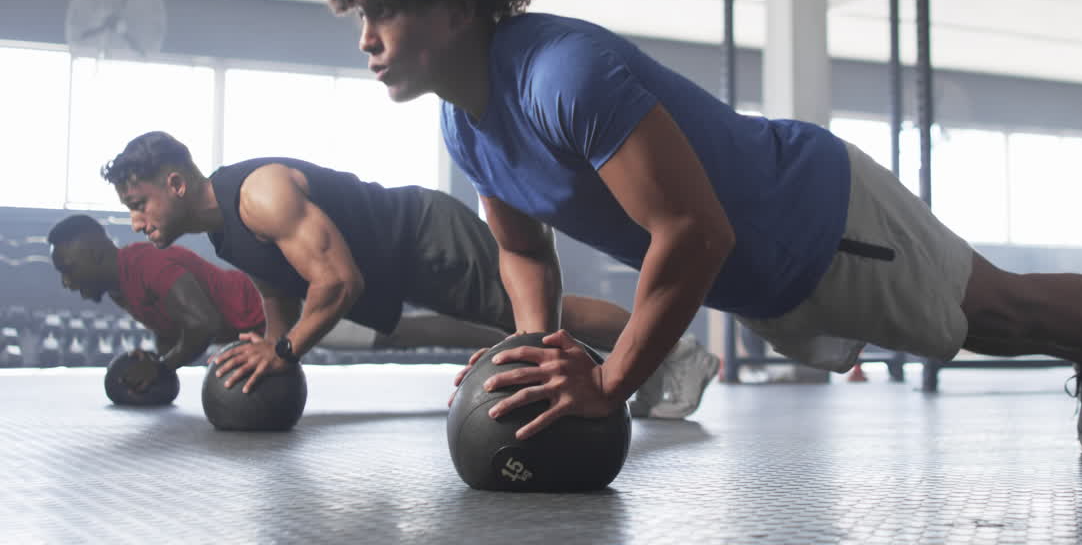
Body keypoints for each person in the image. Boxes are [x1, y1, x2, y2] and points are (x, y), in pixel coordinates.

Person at [314, 0, 1082, 461]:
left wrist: (611, 382)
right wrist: (528, 352)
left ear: (455, 8)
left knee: (1001, 312)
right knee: (981, 330)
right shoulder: (465, 123)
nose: (365, 40)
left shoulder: (560, 75)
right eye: (359, 16)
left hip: (811, 215)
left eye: (382, 13)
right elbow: (522, 253)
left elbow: (693, 233)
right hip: (760, 274)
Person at [99, 132, 718, 417]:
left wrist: (286, 350)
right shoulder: (221, 230)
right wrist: (272, 343)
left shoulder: (256, 195)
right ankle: (665, 356)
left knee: (537, 315)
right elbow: (276, 287)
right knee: (522, 319)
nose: (135, 221)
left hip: (423, 236)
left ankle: (680, 352)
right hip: (403, 258)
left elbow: (339, 283)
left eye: (140, 203)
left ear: (175, 184)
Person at [46, 213, 512, 394]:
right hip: (267, 322)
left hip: (288, 313)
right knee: (406, 331)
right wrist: (155, 358)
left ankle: (511, 335)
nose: (67, 282)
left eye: (68, 268)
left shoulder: (145, 263)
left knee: (407, 333)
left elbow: (204, 323)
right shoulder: (122, 289)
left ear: (91, 251)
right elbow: (174, 333)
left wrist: (163, 366)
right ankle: (507, 332)